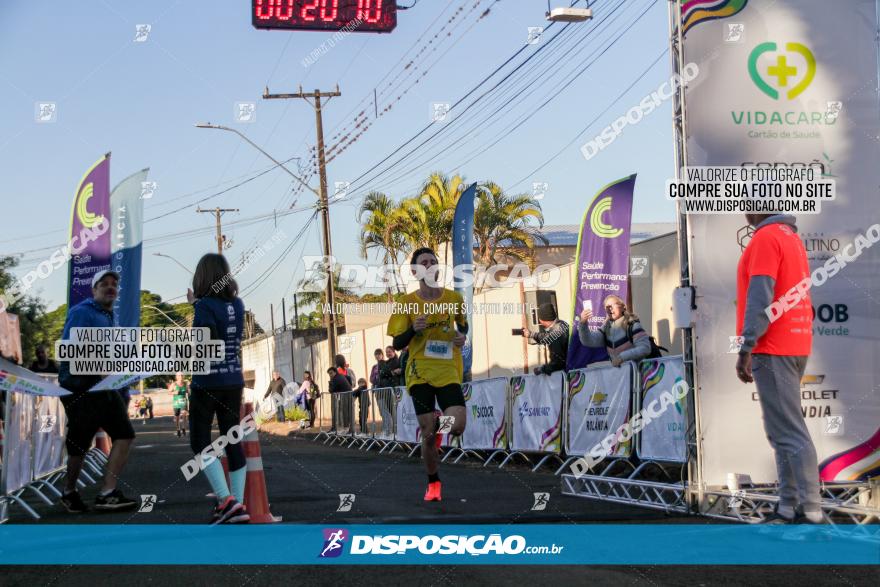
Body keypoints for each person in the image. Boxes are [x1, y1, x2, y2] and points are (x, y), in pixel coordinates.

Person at [735, 213, 820, 524]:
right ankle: (789, 506)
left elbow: (761, 296)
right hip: (794, 342)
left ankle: (809, 509)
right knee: (783, 430)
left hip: (773, 346)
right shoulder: (790, 236)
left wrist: (746, 347)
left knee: (788, 432)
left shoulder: (765, 238)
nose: (744, 210)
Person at [387, 247, 468, 502]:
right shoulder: (406, 303)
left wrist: (461, 336)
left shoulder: (454, 298)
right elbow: (397, 344)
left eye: (434, 262)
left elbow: (463, 324)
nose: (430, 265)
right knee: (426, 432)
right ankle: (433, 483)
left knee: (458, 424)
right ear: (414, 271)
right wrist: (412, 329)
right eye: (424, 262)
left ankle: (439, 425)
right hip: (419, 371)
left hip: (447, 369)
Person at [56, 269, 137, 513]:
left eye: (114, 284)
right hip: (80, 389)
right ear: (94, 289)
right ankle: (69, 492)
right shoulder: (82, 312)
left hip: (104, 388)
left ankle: (107, 492)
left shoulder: (110, 317)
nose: (110, 287)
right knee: (79, 445)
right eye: (104, 284)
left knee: (124, 433)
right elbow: (71, 349)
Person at [187, 253, 249, 524]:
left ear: (202, 276)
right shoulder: (238, 303)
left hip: (208, 380)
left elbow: (206, 340)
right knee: (231, 439)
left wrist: (196, 308)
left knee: (200, 441)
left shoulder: (205, 306)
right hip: (233, 380)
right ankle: (237, 504)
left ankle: (226, 500)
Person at [577, 295, 651, 367]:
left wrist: (622, 357)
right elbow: (588, 341)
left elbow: (645, 348)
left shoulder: (632, 325)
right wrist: (583, 323)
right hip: (619, 376)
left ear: (623, 307)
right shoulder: (605, 329)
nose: (610, 308)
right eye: (607, 307)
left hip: (636, 376)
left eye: (613, 305)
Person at [521, 302, 570, 375]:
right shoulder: (562, 324)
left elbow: (557, 364)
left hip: (565, 377)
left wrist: (541, 370)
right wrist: (531, 334)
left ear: (541, 319)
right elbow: (547, 337)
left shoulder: (555, 335)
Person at [327, 364, 353, 433]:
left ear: (335, 372)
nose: (330, 375)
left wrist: (330, 383)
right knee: (347, 412)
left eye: (331, 373)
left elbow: (331, 390)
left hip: (345, 396)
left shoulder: (336, 378)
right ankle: (347, 429)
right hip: (348, 394)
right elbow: (349, 378)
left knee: (344, 412)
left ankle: (345, 429)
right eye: (329, 374)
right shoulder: (341, 376)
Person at [171, 373, 189, 437]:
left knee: (184, 414)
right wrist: (174, 392)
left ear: (183, 376)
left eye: (182, 375)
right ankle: (178, 429)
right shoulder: (174, 384)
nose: (180, 376)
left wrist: (189, 393)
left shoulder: (185, 384)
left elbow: (188, 392)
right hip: (176, 402)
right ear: (176, 377)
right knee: (177, 417)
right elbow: (169, 392)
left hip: (183, 401)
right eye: (179, 375)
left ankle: (184, 428)